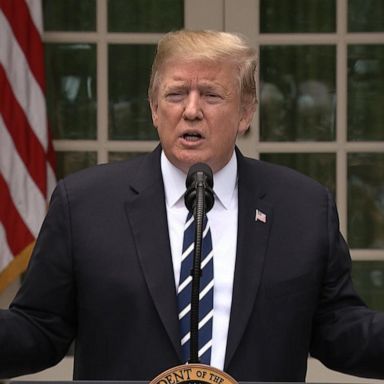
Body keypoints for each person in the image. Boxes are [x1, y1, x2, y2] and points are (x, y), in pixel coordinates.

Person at [1, 30, 384, 382]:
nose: (191, 110)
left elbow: (339, 328)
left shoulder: (301, 208)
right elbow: (39, 327)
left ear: (246, 112)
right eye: (176, 94)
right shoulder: (85, 204)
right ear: (154, 109)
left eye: (212, 95)